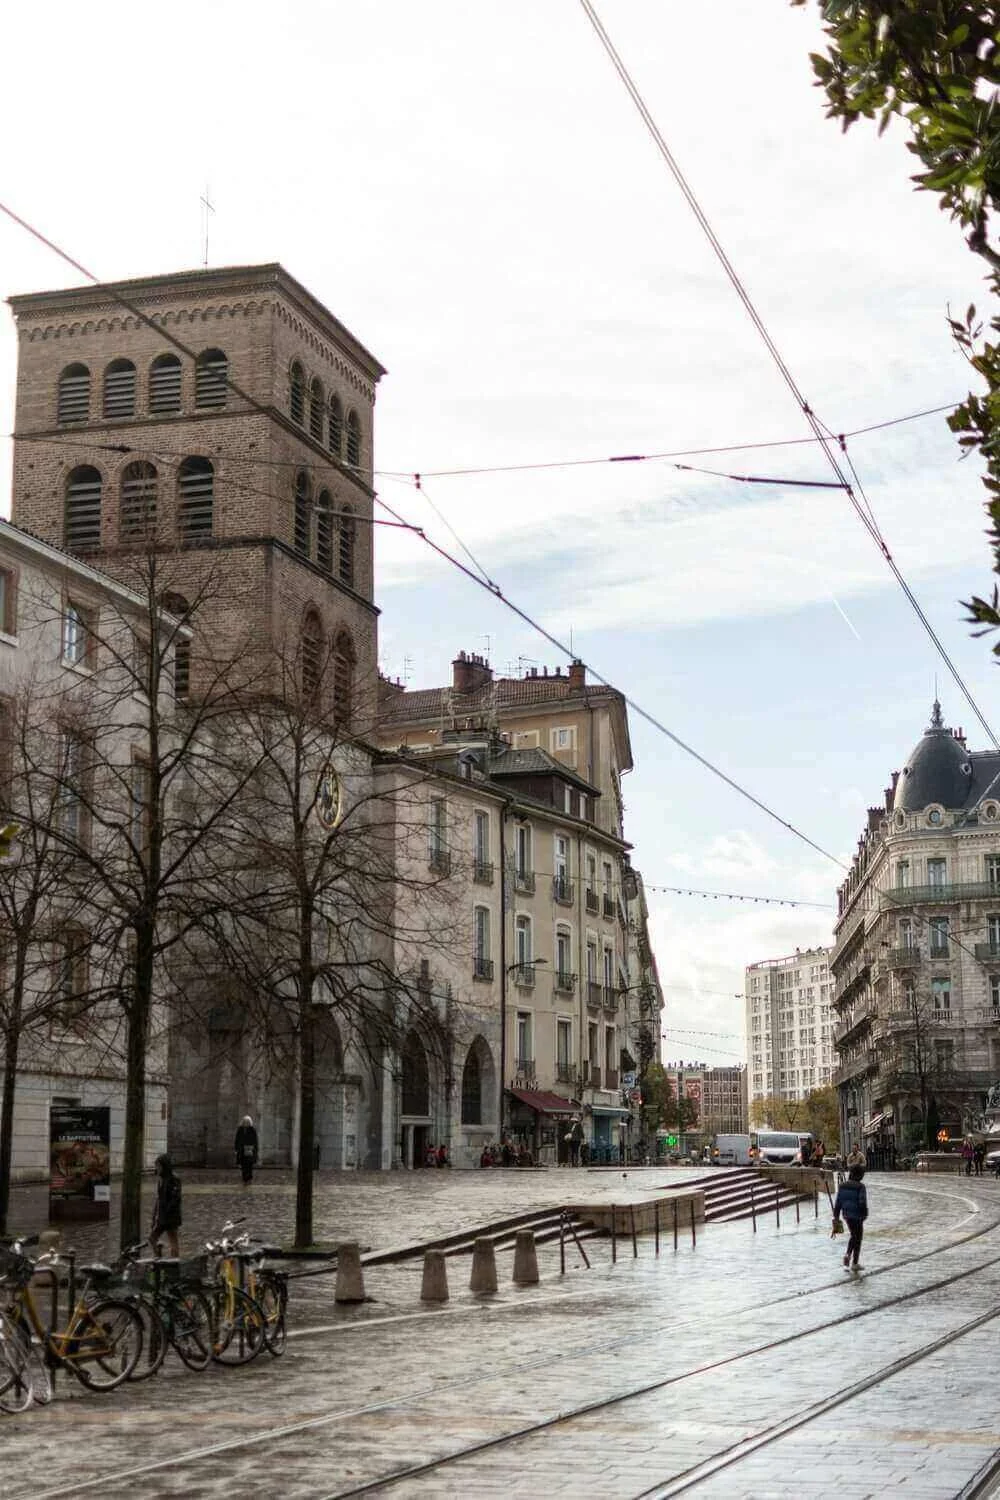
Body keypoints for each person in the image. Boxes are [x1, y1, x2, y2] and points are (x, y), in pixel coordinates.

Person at [832, 1164, 868, 1271]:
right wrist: (864, 1214)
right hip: (858, 1215)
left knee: (854, 1235)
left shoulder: (842, 1186)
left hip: (847, 1215)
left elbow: (838, 1202)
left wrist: (836, 1216)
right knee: (858, 1237)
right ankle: (854, 1261)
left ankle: (848, 1256)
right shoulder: (861, 1186)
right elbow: (862, 1202)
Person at [150, 1153, 181, 1259]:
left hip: (170, 1217)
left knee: (173, 1240)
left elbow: (175, 1199)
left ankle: (174, 1261)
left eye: (158, 1166)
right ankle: (158, 1255)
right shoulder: (161, 1180)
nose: (157, 1169)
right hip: (162, 1217)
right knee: (152, 1238)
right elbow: (159, 1199)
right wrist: (155, 1215)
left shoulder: (174, 1179)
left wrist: (166, 1213)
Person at [234, 1115, 259, 1185]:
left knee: (249, 1165)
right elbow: (237, 1139)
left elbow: (255, 1140)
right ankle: (244, 1178)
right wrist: (236, 1148)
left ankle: (249, 1178)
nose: (246, 1123)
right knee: (243, 1165)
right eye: (245, 1122)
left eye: (247, 1122)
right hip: (241, 1150)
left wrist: (255, 1149)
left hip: (249, 1149)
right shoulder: (240, 1130)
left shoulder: (252, 1130)